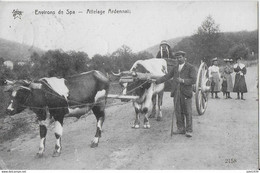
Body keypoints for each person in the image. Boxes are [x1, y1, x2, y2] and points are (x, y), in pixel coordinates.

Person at [155, 51, 196, 137]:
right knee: (178, 111)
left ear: (184, 58)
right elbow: (167, 76)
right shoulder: (175, 68)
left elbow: (193, 80)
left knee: (187, 112)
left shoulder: (190, 67)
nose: (178, 59)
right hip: (177, 93)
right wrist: (157, 81)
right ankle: (180, 128)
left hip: (186, 93)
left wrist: (183, 81)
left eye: (180, 57)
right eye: (177, 58)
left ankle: (189, 130)